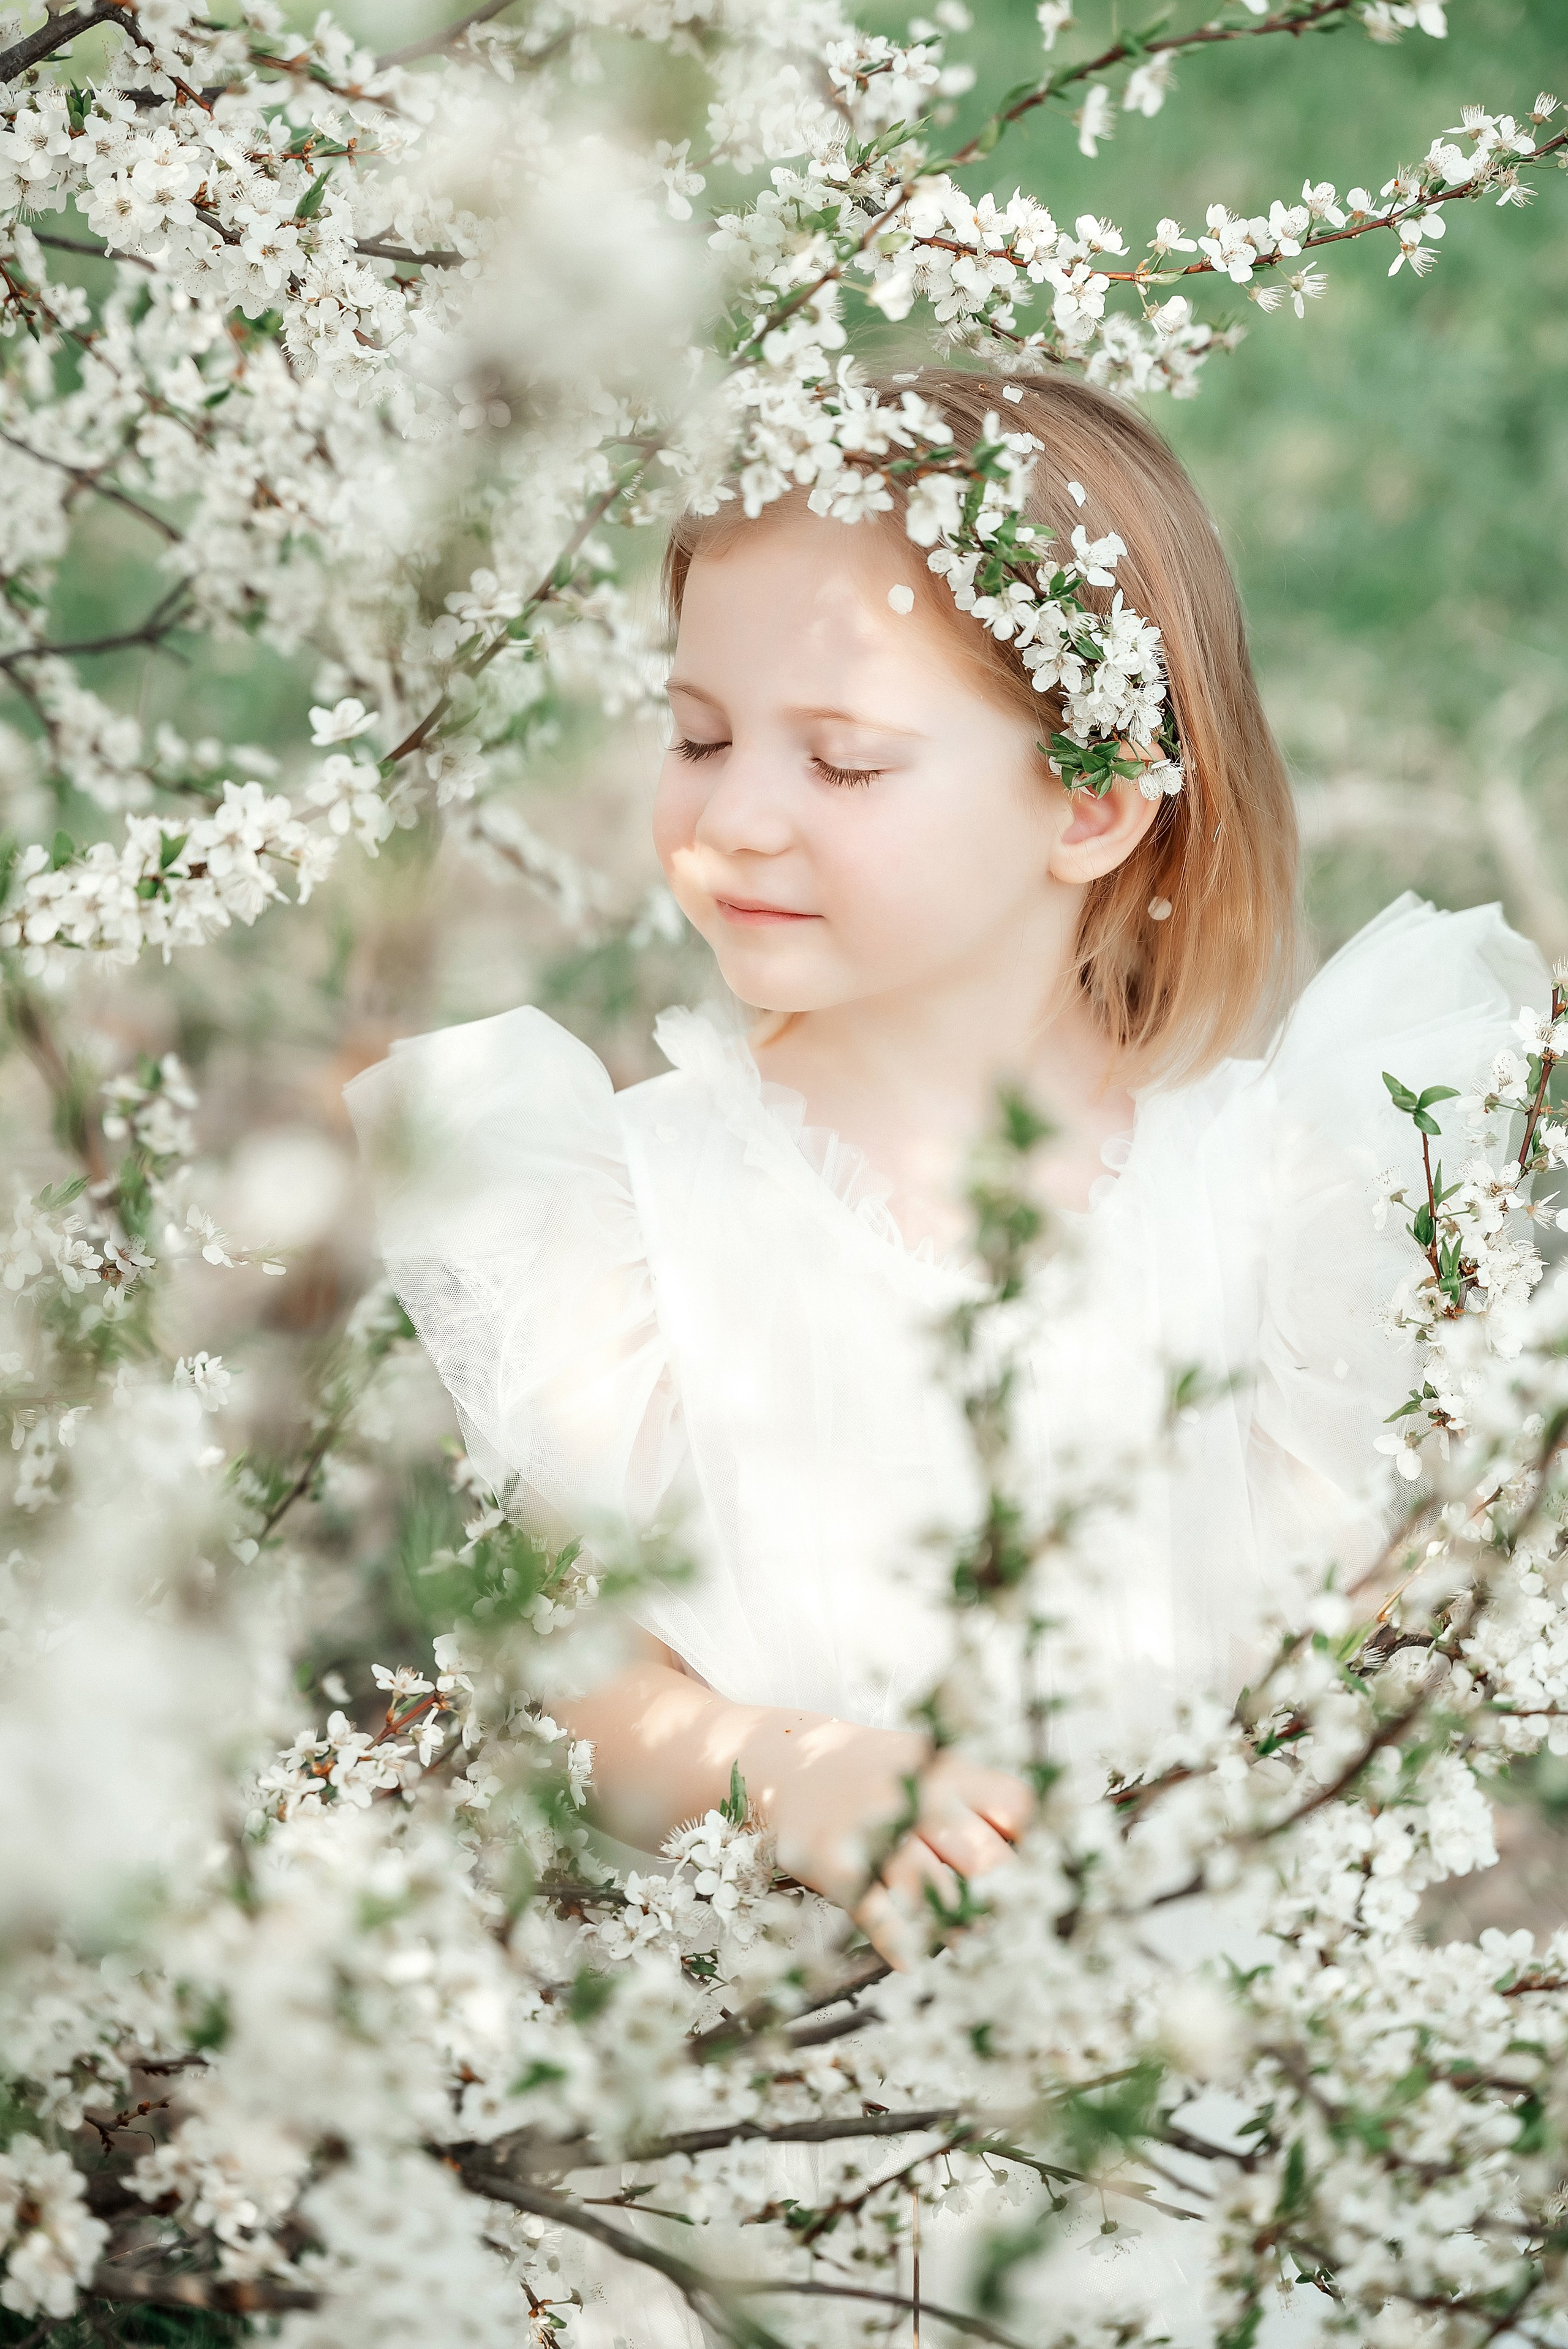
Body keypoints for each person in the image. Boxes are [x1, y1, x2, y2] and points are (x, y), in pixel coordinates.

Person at [346, 362, 1543, 1980]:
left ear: (1100, 800)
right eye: (698, 735)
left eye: (842, 763)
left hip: (1165, 2115)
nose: (737, 816)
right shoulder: (623, 1216)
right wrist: (767, 1760)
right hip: (779, 2134)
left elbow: (1362, 1651)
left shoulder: (1287, 1195)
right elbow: (583, 1673)